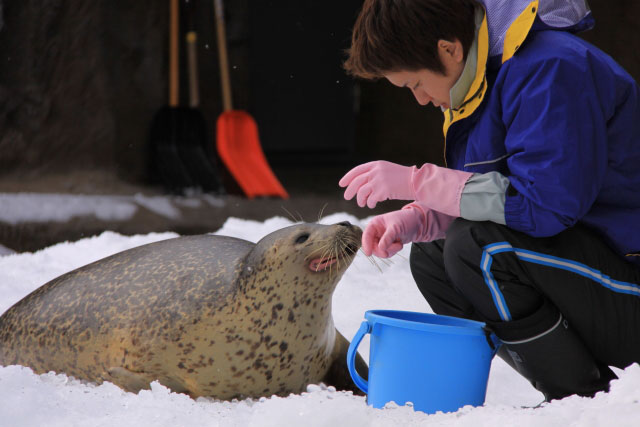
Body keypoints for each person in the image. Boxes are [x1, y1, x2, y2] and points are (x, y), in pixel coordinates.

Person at [339, 0, 640, 402]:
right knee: (432, 254)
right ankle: (546, 383)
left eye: (414, 84)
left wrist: (417, 181)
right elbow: (496, 192)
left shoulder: (550, 68)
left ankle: (581, 400)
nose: (422, 100)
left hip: (628, 283)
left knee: (479, 247)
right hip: (595, 278)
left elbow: (543, 207)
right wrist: (420, 219)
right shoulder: (484, 79)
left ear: (449, 49)